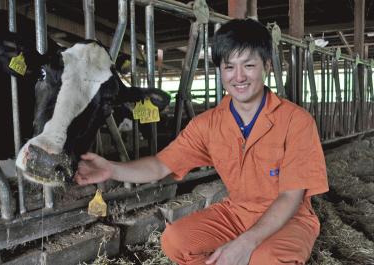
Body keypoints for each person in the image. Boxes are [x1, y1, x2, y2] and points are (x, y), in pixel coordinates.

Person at [75, 18, 328, 265]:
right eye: (229, 67)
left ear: (267, 66)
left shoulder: (297, 121)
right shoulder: (208, 124)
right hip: (236, 214)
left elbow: (290, 197)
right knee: (174, 240)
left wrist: (245, 243)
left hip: (290, 218)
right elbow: (161, 165)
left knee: (266, 258)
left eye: (249, 66)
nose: (238, 77)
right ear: (220, 71)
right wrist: (112, 169)